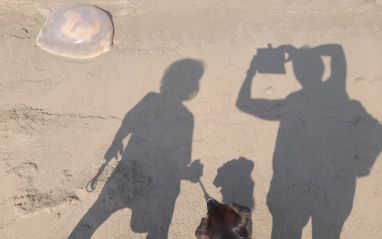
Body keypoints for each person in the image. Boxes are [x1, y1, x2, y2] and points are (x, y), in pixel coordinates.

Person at [236, 44, 382, 239]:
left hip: (292, 190)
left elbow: (243, 103)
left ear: (298, 75)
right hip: (332, 191)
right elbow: (337, 50)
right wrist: (299, 52)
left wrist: (252, 71)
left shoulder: (293, 104)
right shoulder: (338, 97)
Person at [69, 58, 204, 239]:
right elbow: (180, 163)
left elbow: (129, 121)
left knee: (93, 217)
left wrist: (117, 142)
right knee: (158, 231)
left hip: (131, 170)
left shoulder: (152, 98)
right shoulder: (187, 118)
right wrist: (191, 174)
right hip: (160, 183)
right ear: (192, 89)